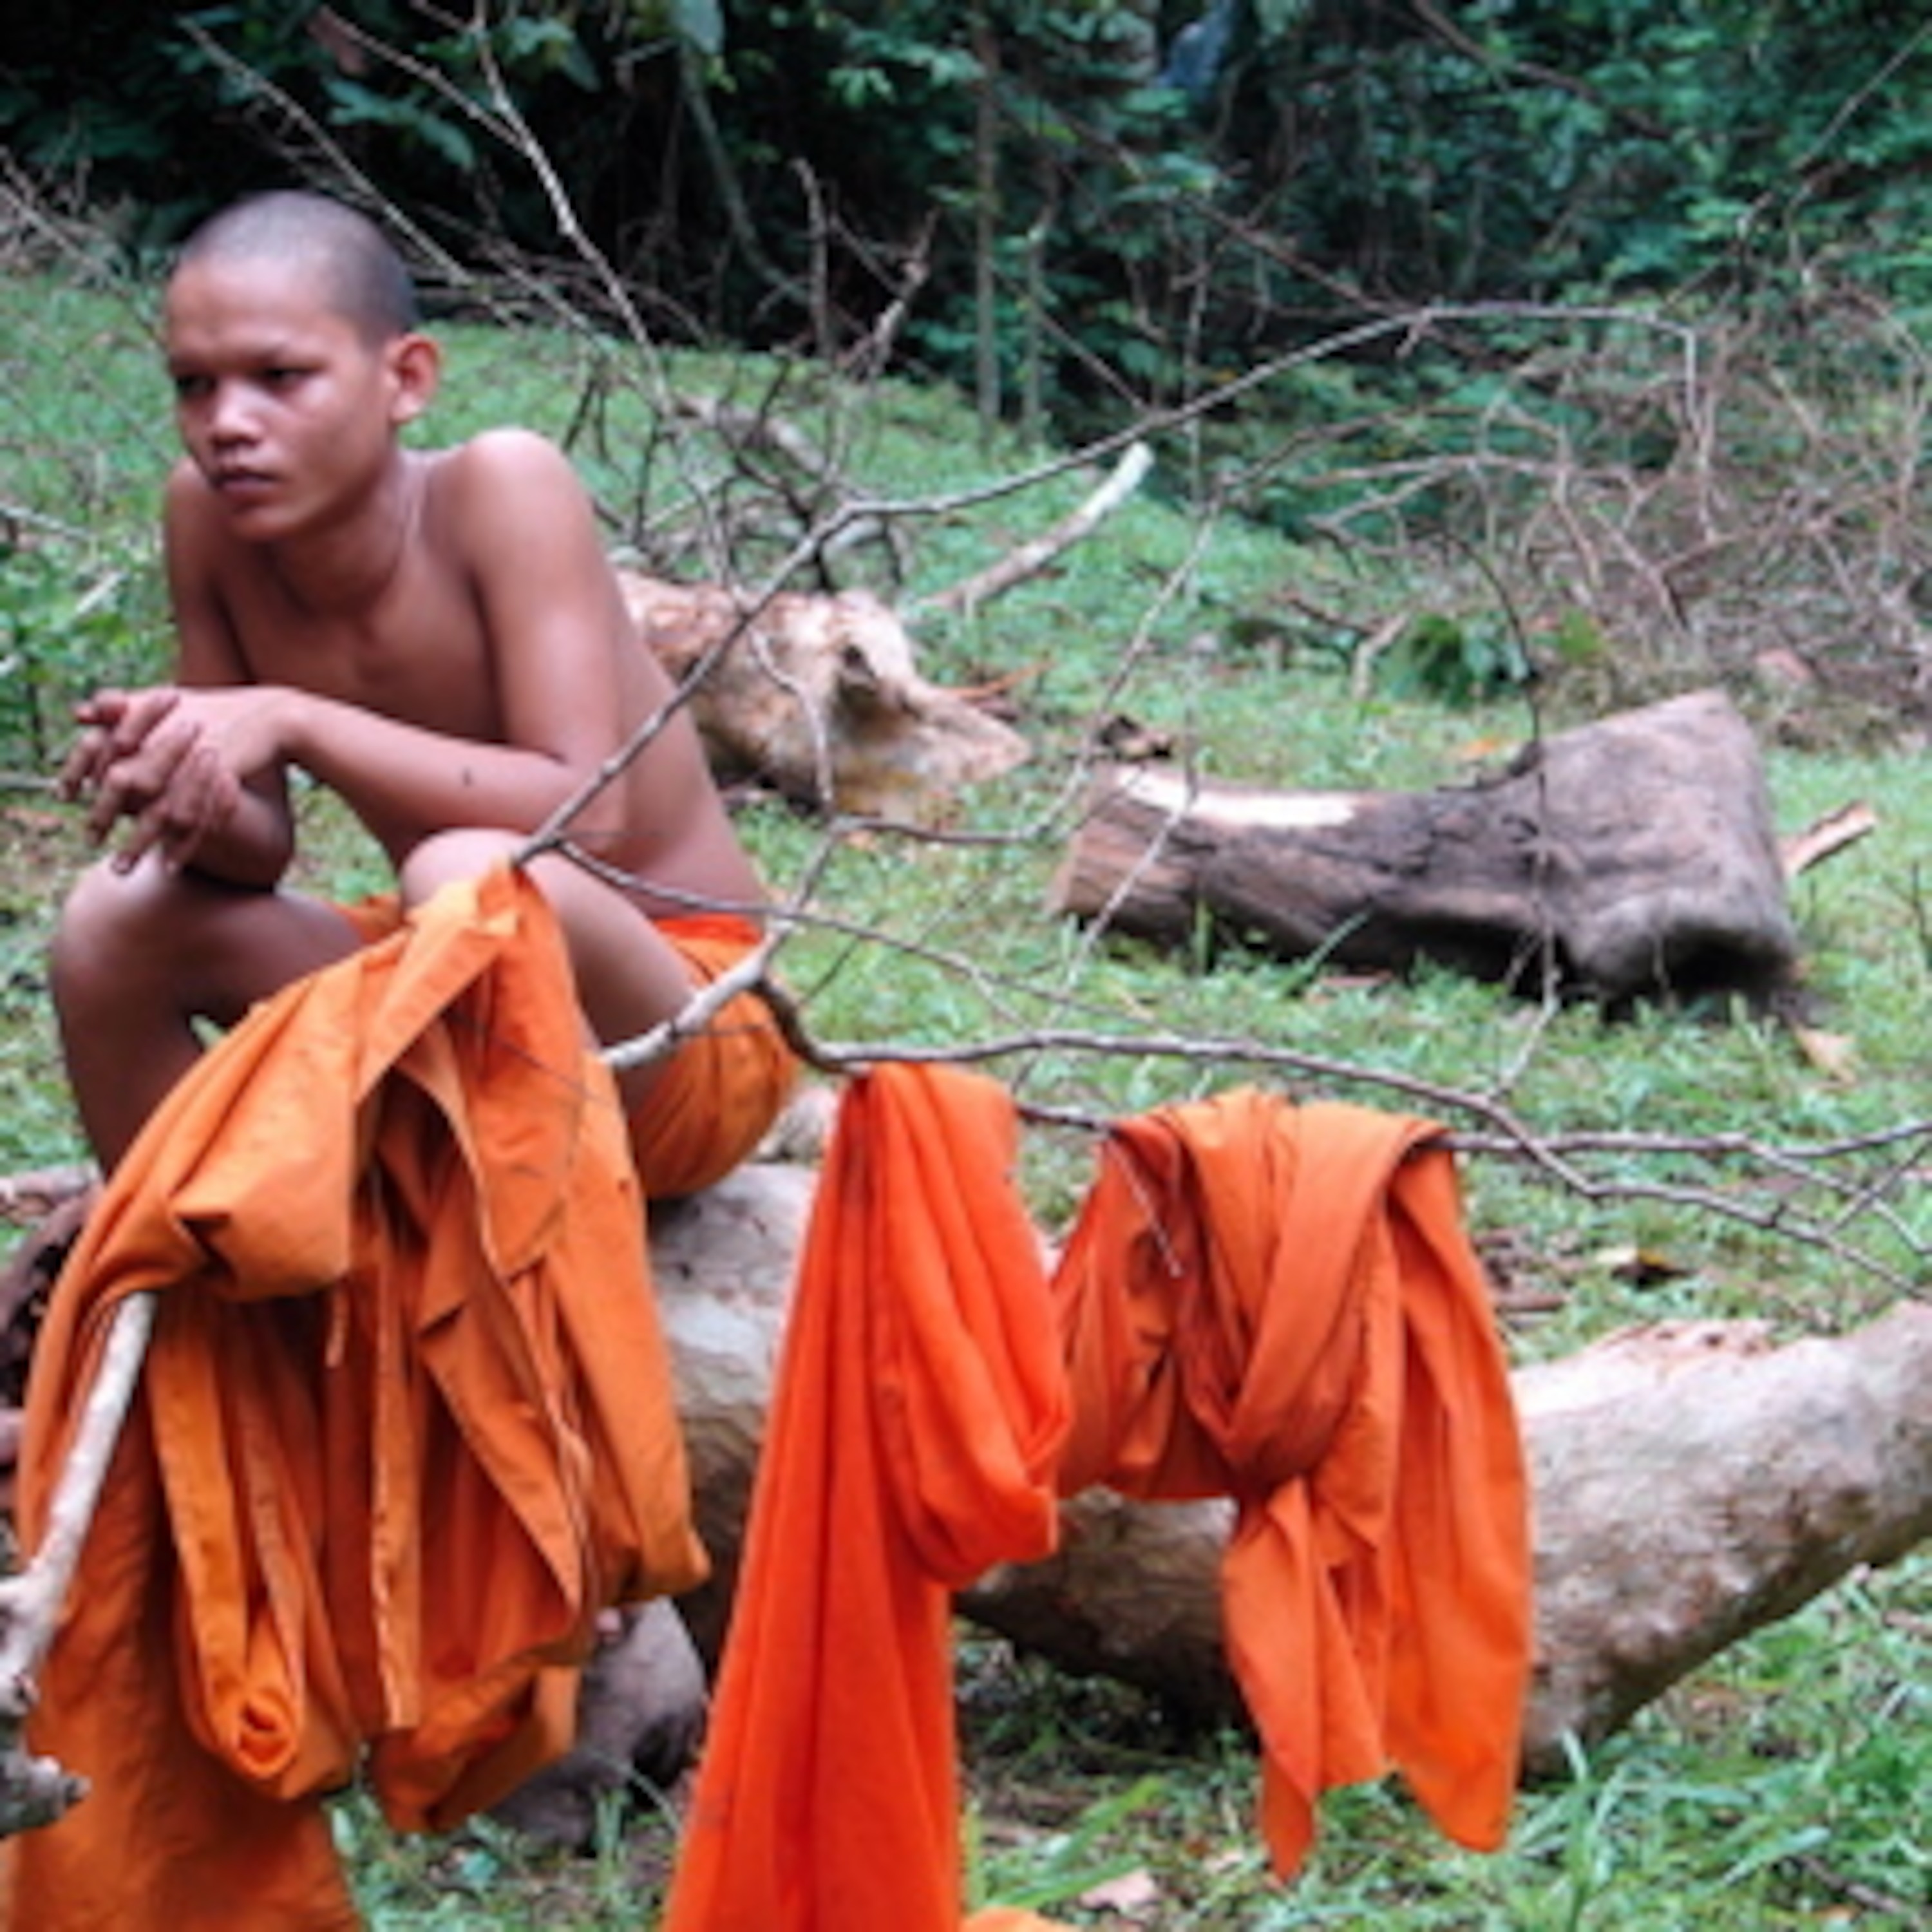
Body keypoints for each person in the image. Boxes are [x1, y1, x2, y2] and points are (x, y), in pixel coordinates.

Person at [50, 187, 792, 1184]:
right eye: (194, 385)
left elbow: (587, 816)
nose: (228, 423)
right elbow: (256, 855)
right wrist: (180, 768)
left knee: (465, 874)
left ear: (405, 379)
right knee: (115, 918)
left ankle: (523, 1318)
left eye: (280, 377)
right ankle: (185, 1302)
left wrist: (294, 718)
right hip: (449, 985)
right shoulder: (208, 522)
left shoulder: (502, 488)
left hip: (677, 1026)